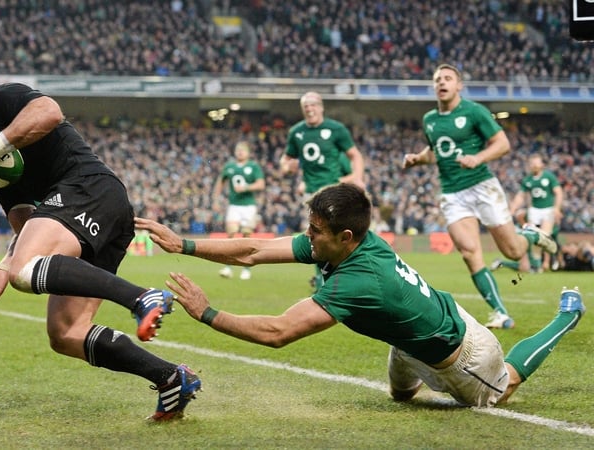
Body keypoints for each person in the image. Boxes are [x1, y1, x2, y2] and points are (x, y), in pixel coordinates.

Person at [135, 183, 585, 408]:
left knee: (505, 383)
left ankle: (567, 315)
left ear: (345, 236)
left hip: (465, 354)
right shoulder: (346, 243)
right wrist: (185, 244)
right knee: (401, 399)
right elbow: (254, 249)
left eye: (315, 231)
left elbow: (278, 332)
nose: (307, 238)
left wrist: (207, 312)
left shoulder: (359, 281)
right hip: (415, 339)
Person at [0, 68, 200, 421]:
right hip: (87, 211)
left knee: (27, 269)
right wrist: (6, 267)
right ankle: (172, 379)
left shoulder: (4, 101)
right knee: (66, 333)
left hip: (90, 189)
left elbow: (49, 111)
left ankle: (142, 297)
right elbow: (22, 216)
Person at [402, 63, 558, 330]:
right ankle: (500, 312)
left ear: (459, 85)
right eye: (438, 79)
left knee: (512, 249)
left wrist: (478, 158)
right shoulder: (430, 119)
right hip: (452, 194)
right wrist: (418, 159)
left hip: (482, 186)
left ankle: (530, 235)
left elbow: (502, 144)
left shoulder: (474, 111)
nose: (442, 83)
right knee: (468, 252)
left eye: (448, 78)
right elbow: (436, 151)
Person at [279, 91, 365, 291]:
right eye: (305, 106)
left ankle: (339, 276)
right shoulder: (296, 132)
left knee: (337, 237)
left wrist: (358, 179)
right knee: (318, 239)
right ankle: (323, 280)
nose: (309, 108)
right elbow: (286, 159)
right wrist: (286, 167)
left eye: (313, 104)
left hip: (334, 193)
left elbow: (355, 156)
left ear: (321, 107)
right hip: (311, 195)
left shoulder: (336, 129)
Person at [212, 140, 266, 280]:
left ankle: (246, 268)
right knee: (231, 234)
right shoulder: (229, 166)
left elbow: (261, 184)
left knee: (246, 235)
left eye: (243, 150)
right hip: (234, 205)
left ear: (248, 153)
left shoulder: (253, 166)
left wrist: (246, 187)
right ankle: (228, 267)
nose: (240, 152)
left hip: (248, 205)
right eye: (238, 149)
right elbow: (220, 182)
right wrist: (216, 199)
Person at [508, 154, 563, 271]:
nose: (534, 165)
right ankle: (537, 263)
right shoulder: (527, 180)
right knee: (533, 235)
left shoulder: (549, 177)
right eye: (532, 163)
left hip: (547, 209)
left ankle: (546, 263)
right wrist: (512, 209)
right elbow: (520, 196)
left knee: (545, 235)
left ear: (542, 164)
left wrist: (557, 208)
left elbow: (558, 192)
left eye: (536, 163)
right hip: (534, 210)